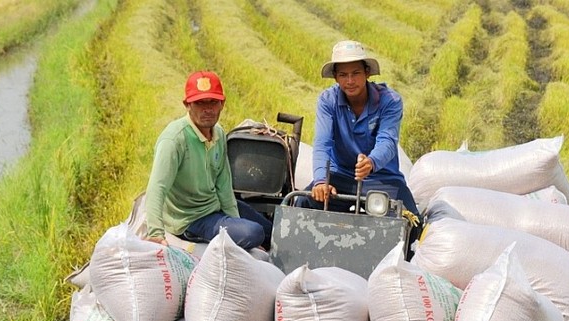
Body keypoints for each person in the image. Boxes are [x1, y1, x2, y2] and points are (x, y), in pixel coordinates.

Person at [299, 40, 421, 231]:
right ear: (335, 78)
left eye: (355, 73)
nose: (350, 81)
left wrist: (371, 162)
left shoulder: (390, 100)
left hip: (382, 178)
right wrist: (321, 181)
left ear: (367, 73)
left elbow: (387, 141)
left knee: (413, 225)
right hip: (340, 176)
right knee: (299, 206)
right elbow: (323, 143)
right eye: (343, 75)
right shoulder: (327, 100)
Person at [144, 70, 272, 251]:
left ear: (222, 103)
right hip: (190, 218)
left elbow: (224, 183)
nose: (207, 109)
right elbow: (157, 187)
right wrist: (156, 233)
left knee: (270, 231)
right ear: (187, 105)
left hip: (214, 206)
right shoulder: (174, 140)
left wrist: (236, 222)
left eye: (213, 102)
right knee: (254, 233)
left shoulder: (218, 132)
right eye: (200, 103)